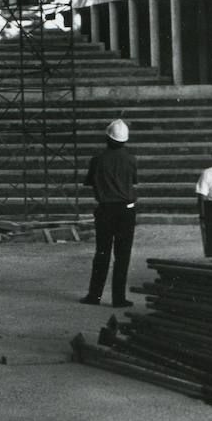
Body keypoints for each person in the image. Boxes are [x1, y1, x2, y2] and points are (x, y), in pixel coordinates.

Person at [80, 119, 137, 309]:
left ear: (107, 137)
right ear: (125, 140)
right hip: (126, 210)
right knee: (123, 255)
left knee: (102, 252)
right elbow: (133, 182)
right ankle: (118, 299)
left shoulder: (97, 160)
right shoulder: (131, 160)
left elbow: (90, 183)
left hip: (105, 210)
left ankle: (94, 296)